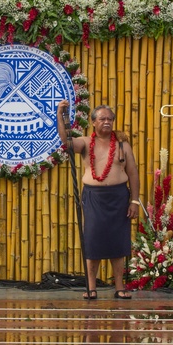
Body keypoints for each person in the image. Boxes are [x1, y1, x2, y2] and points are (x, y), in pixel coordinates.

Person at [56, 101, 140, 300]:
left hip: (119, 197)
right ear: (93, 122)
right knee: (93, 243)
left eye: (110, 119)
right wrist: (61, 115)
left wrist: (134, 201)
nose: (107, 122)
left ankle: (119, 287)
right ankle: (91, 287)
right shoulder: (85, 142)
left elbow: (133, 173)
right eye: (102, 119)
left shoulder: (122, 145)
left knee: (118, 244)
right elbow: (66, 142)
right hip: (94, 197)